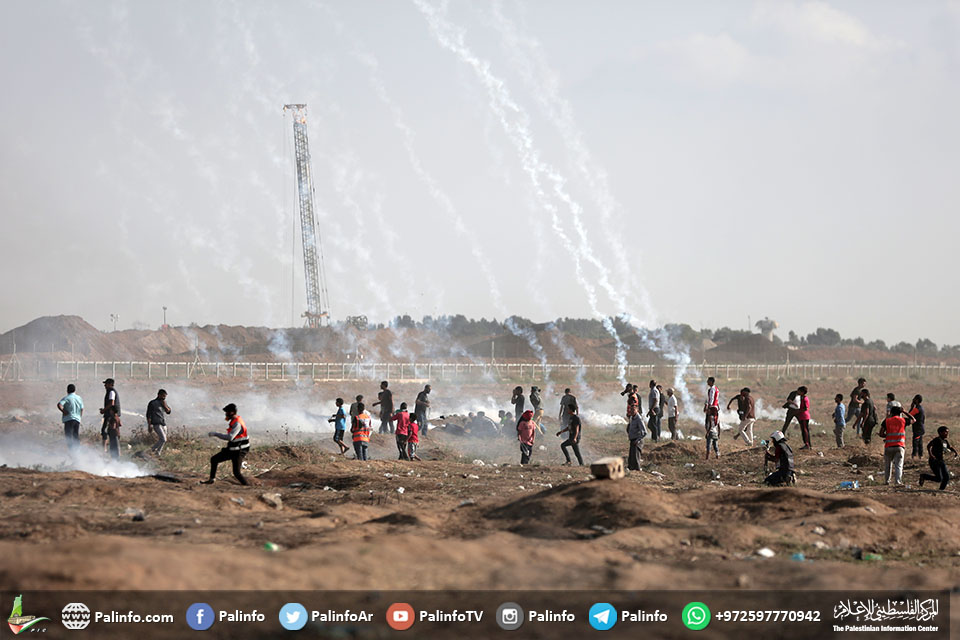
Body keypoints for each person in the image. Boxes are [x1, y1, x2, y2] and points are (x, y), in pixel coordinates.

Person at [201, 403, 249, 485]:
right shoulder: (235, 421)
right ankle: (211, 479)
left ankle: (248, 487)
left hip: (239, 451)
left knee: (237, 473)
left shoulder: (237, 423)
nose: (225, 414)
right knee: (214, 459)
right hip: (233, 449)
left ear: (231, 413)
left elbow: (230, 437)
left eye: (226, 412)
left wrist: (216, 434)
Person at [919, 426, 957, 490]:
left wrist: (955, 452)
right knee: (939, 479)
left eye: (947, 432)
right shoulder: (937, 440)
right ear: (940, 433)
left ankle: (941, 490)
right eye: (945, 432)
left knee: (946, 477)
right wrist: (931, 455)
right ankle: (924, 476)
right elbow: (929, 446)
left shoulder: (945, 441)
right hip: (934, 461)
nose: (947, 434)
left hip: (941, 461)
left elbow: (949, 447)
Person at [879, 406, 907, 486]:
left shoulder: (887, 421)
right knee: (898, 466)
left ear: (891, 412)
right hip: (899, 446)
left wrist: (887, 436)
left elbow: (881, 433)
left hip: (888, 446)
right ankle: (897, 482)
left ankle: (887, 481)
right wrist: (904, 412)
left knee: (888, 465)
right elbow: (914, 420)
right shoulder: (903, 420)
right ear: (900, 413)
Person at [57, 383, 83, 449]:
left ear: (67, 390)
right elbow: (82, 409)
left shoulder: (67, 398)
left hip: (69, 419)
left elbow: (59, 405)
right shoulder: (79, 398)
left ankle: (71, 451)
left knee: (68, 436)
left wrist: (64, 411)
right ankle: (77, 451)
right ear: (75, 390)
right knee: (75, 435)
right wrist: (80, 417)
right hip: (77, 419)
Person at [146, 389, 172, 456]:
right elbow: (148, 415)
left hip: (163, 423)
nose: (164, 398)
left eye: (165, 396)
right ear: (159, 395)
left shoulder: (164, 403)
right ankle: (152, 449)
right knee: (163, 439)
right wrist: (149, 425)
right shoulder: (152, 403)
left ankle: (158, 453)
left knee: (163, 440)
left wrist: (165, 405)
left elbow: (168, 412)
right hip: (156, 423)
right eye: (163, 396)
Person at [100, 378, 120, 454]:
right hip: (110, 414)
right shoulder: (110, 392)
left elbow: (112, 403)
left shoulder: (111, 392)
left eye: (106, 384)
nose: (105, 385)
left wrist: (104, 410)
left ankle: (104, 449)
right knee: (108, 431)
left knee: (105, 431)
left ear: (110, 384)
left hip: (110, 415)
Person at [626, 405, 646, 471]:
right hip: (632, 440)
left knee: (636, 457)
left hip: (637, 441)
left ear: (637, 410)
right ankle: (631, 469)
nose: (631, 411)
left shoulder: (639, 419)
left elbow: (644, 432)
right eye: (631, 410)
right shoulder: (632, 417)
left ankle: (637, 470)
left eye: (633, 410)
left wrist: (638, 440)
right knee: (631, 458)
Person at [909, 395, 926, 459]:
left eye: (914, 399)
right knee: (919, 442)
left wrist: (911, 407)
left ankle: (914, 455)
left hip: (918, 429)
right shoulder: (920, 408)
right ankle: (920, 455)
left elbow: (909, 415)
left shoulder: (917, 409)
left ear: (917, 400)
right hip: (920, 428)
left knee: (915, 442)